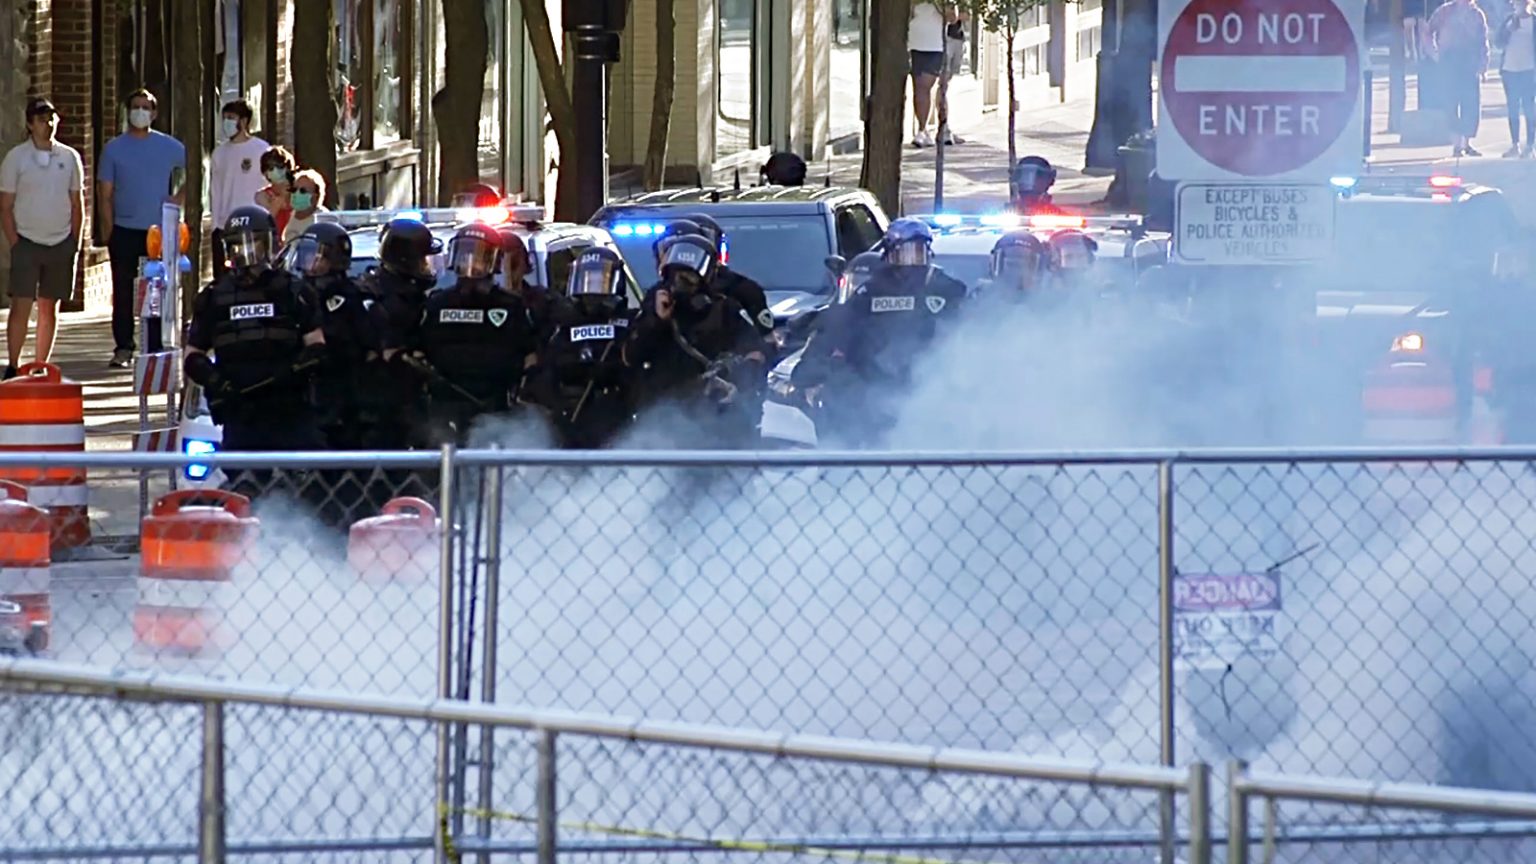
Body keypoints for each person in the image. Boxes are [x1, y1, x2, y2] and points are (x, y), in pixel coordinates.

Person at [791, 217, 967, 447]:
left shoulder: (946, 290)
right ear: (890, 254)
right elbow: (839, 330)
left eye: (919, 253)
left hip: (930, 395)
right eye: (906, 254)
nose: (913, 262)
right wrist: (815, 369)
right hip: (870, 398)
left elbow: (967, 338)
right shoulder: (869, 293)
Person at [183, 205, 326, 462]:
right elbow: (193, 356)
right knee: (243, 487)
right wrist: (217, 382)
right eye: (238, 248)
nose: (246, 256)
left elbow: (316, 346)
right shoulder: (214, 297)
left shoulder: (294, 291)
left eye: (254, 246)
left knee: (298, 488)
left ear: (269, 245)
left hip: (288, 410)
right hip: (240, 412)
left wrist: (293, 371)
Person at [624, 232, 767, 448]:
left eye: (690, 279)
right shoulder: (653, 307)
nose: (682, 285)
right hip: (665, 419)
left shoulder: (725, 310)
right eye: (677, 277)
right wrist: (656, 321)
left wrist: (735, 381)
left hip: (717, 419)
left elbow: (757, 353)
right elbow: (631, 356)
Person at [414, 222, 541, 445]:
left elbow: (530, 355)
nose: (470, 264)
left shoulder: (511, 306)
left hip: (495, 406)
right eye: (464, 255)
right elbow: (420, 349)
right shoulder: (437, 304)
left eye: (479, 257)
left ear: (494, 262)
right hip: (446, 405)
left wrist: (522, 389)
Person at [98, 88, 185, 367]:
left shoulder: (170, 146)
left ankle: (155, 346)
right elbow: (105, 193)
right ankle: (123, 346)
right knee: (123, 290)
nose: (140, 112)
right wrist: (109, 228)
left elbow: (195, 170)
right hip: (124, 228)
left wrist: (179, 200)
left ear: (154, 113)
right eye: (135, 106)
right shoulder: (113, 149)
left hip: (157, 232)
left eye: (145, 107)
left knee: (156, 288)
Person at [0, 97, 84, 380]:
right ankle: (13, 363)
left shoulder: (70, 157)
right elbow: (6, 205)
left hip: (60, 241)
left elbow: (77, 203)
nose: (47, 125)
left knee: (50, 305)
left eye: (51, 119)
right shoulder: (16, 158)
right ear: (29, 124)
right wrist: (15, 241)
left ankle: (40, 363)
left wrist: (76, 241)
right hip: (26, 240)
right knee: (21, 303)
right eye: (40, 120)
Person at [524, 246, 639, 449]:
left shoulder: (629, 322)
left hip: (614, 415)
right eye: (587, 278)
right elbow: (547, 367)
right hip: (569, 415)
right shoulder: (564, 325)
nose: (592, 289)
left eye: (600, 280)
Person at [287, 221, 376, 450]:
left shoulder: (351, 299)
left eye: (317, 257)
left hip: (342, 405)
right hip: (300, 405)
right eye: (306, 256)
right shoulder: (293, 295)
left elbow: (359, 345)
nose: (310, 264)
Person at [356, 217, 440, 450]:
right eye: (423, 260)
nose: (428, 267)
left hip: (413, 406)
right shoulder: (375, 297)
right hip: (381, 410)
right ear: (407, 260)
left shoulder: (417, 298)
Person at [209, 99, 269, 280]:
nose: (226, 122)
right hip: (226, 224)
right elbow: (216, 190)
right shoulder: (219, 153)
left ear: (243, 121)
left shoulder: (261, 149)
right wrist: (215, 226)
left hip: (255, 224)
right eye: (224, 118)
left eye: (231, 118)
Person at [1429, 0, 1491, 156]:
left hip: (1469, 62)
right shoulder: (1445, 11)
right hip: (1449, 61)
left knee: (1471, 104)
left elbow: (1483, 41)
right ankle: (1457, 144)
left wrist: (1483, 65)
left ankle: (1466, 143)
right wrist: (1434, 52)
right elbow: (1428, 30)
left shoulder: (1477, 14)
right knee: (1450, 103)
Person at [908, 1, 952, 148]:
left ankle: (943, 127)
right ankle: (922, 130)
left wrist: (938, 3)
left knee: (942, 87)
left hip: (936, 46)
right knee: (920, 88)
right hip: (915, 44)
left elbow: (953, 17)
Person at [1496, 0, 1536, 157]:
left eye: (1522, 3)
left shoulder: (1534, 21)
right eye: (1516, 4)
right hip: (1509, 70)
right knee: (1512, 108)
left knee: (1529, 108)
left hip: (1529, 70)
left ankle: (1530, 145)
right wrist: (1508, 31)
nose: (1519, 6)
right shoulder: (1508, 20)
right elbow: (1498, 43)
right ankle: (1515, 144)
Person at [255, 146, 297, 238]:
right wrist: (276, 205)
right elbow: (263, 225)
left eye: (280, 167)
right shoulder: (263, 196)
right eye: (271, 169)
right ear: (265, 173)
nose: (277, 171)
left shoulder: (299, 189)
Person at [282, 169, 328, 244]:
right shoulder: (292, 214)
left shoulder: (323, 219)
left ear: (315, 196)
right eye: (294, 189)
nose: (296, 193)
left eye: (303, 191)